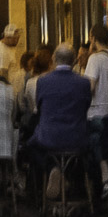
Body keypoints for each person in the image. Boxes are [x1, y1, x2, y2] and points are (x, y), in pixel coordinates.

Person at [33, 45, 95, 202]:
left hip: (49, 137)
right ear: (74, 60)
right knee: (86, 153)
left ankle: (53, 170)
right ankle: (76, 188)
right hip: (76, 137)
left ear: (53, 59)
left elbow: (39, 107)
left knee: (30, 146)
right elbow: (85, 107)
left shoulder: (43, 81)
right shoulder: (84, 83)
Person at [84, 25, 108, 161]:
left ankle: (100, 175)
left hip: (96, 116)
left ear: (93, 38)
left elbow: (90, 87)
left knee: (86, 139)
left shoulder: (95, 59)